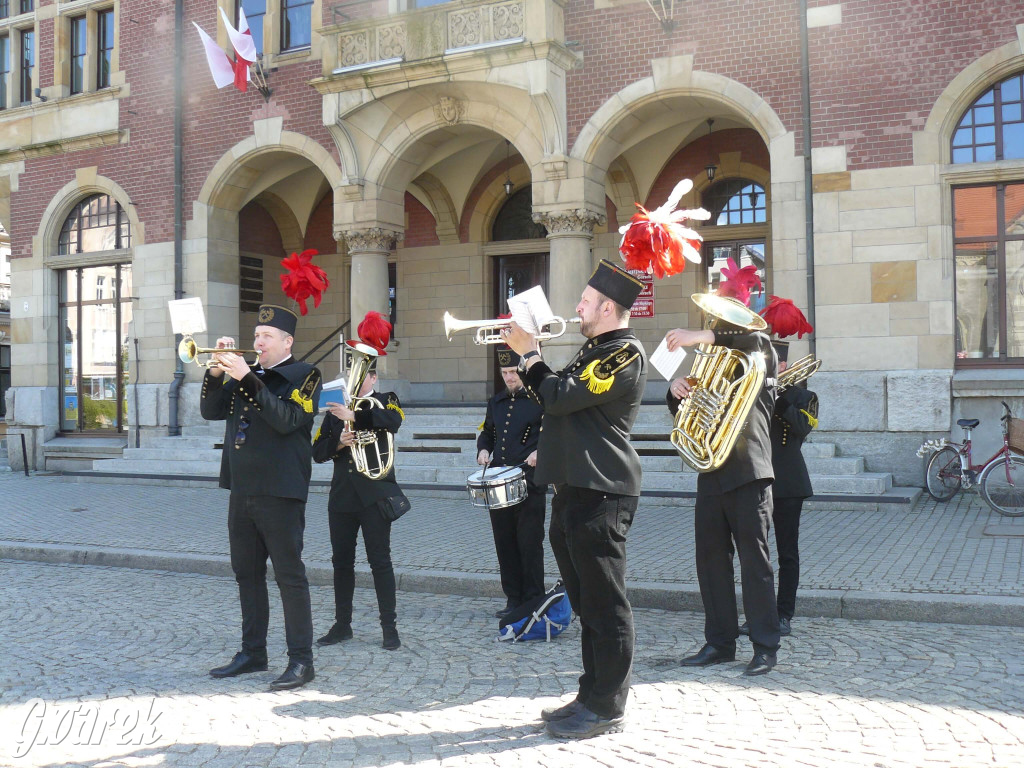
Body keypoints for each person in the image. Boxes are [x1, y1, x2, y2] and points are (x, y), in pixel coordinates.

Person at [504, 259, 647, 740]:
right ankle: (591, 692)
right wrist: (530, 360)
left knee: (606, 605)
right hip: (573, 489)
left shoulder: (624, 353)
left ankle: (608, 705)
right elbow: (552, 398)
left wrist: (530, 355)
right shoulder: (592, 350)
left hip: (603, 490)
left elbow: (562, 395)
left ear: (608, 307)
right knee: (586, 602)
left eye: (585, 302)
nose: (577, 308)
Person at [203, 303, 322, 691]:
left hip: (281, 490)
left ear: (287, 341)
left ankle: (302, 662)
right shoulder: (245, 373)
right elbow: (210, 411)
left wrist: (247, 379)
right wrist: (218, 372)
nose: (258, 342)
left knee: (289, 577)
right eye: (256, 336)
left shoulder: (306, 375)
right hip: (242, 488)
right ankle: (253, 652)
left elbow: (287, 420)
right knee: (247, 575)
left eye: (266, 337)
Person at [665, 295, 781, 676]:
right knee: (711, 561)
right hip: (712, 470)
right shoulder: (716, 367)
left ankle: (765, 646)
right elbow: (686, 412)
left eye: (717, 326)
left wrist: (698, 334)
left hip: (749, 471)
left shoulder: (758, 353)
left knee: (754, 562)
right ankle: (719, 642)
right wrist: (678, 389)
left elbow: (753, 341)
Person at [313, 335, 405, 651]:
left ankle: (389, 629)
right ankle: (342, 625)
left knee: (380, 561)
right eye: (351, 371)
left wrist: (357, 417)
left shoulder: (386, 399)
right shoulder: (333, 409)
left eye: (362, 373)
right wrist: (339, 441)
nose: (355, 377)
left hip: (375, 496)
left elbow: (394, 420)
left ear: (374, 377)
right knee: (342, 563)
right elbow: (317, 451)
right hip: (342, 497)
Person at [741, 341, 818, 637]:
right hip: (756, 479)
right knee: (755, 554)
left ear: (782, 366)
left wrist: (780, 399)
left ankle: (784, 614)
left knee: (787, 553)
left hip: (788, 484)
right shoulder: (752, 394)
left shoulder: (804, 396)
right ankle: (760, 614)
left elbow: (802, 428)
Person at [476, 345, 546, 619]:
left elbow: (553, 434)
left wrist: (541, 452)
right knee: (504, 543)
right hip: (499, 483)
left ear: (523, 370)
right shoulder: (496, 402)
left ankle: (533, 600)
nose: (509, 377)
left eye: (513, 372)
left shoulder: (540, 400)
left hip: (529, 483)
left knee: (529, 544)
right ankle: (513, 599)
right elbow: (487, 433)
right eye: (504, 372)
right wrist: (483, 449)